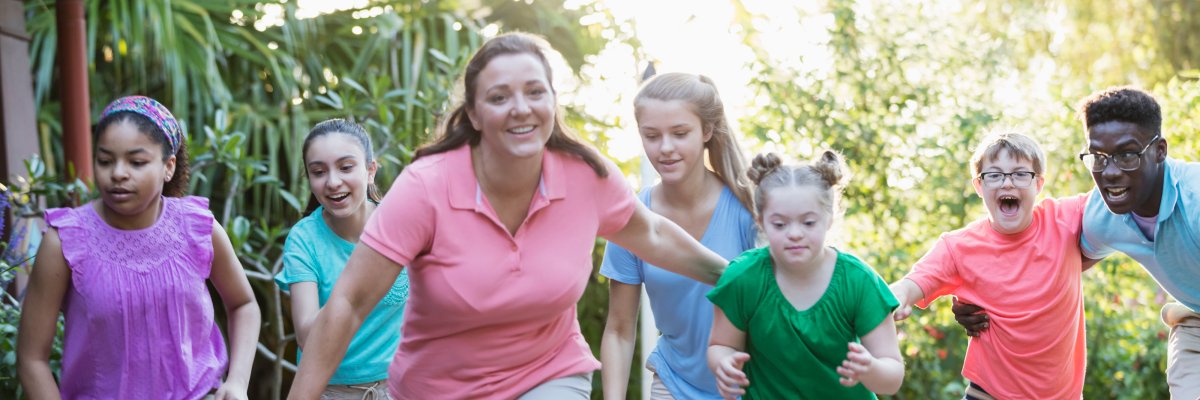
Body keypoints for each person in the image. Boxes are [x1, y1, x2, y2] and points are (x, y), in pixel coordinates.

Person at [286, 32, 729, 400]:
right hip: (438, 388)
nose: (521, 107)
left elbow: (651, 233)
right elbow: (347, 303)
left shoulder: (584, 175)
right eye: (500, 97)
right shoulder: (426, 187)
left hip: (549, 373)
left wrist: (738, 275)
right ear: (474, 114)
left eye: (535, 92)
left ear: (553, 101)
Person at [953, 87, 1200, 399]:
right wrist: (983, 292)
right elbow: (1045, 261)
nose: (1110, 173)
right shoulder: (1102, 216)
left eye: (1126, 155)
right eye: (1098, 157)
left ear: (1159, 150)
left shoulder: (1195, 201)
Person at [16, 96, 261, 399]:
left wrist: (237, 381)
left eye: (137, 162)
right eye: (105, 161)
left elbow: (243, 305)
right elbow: (31, 358)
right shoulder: (64, 241)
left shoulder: (198, 228)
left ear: (168, 167)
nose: (118, 173)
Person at [890, 132, 1092, 399]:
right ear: (978, 185)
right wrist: (893, 300)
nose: (1007, 183)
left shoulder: (1066, 218)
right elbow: (910, 285)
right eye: (994, 175)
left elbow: (1122, 207)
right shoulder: (958, 247)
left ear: (1039, 183)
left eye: (1020, 174)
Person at [599, 72, 756, 400]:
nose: (665, 148)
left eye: (680, 133)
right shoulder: (632, 219)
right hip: (675, 384)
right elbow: (619, 329)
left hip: (753, 386)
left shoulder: (750, 209)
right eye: (652, 135)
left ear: (706, 131)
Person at [707, 152, 903, 399]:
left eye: (808, 222)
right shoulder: (743, 279)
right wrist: (723, 363)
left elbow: (892, 376)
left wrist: (871, 368)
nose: (795, 234)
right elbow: (721, 345)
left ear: (829, 218)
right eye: (780, 224)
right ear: (761, 221)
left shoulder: (858, 281)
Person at [274, 119, 408, 399]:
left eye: (346, 168)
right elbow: (308, 338)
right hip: (332, 392)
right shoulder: (304, 239)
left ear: (370, 170)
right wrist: (357, 279)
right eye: (319, 172)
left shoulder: (401, 224)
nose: (333, 182)